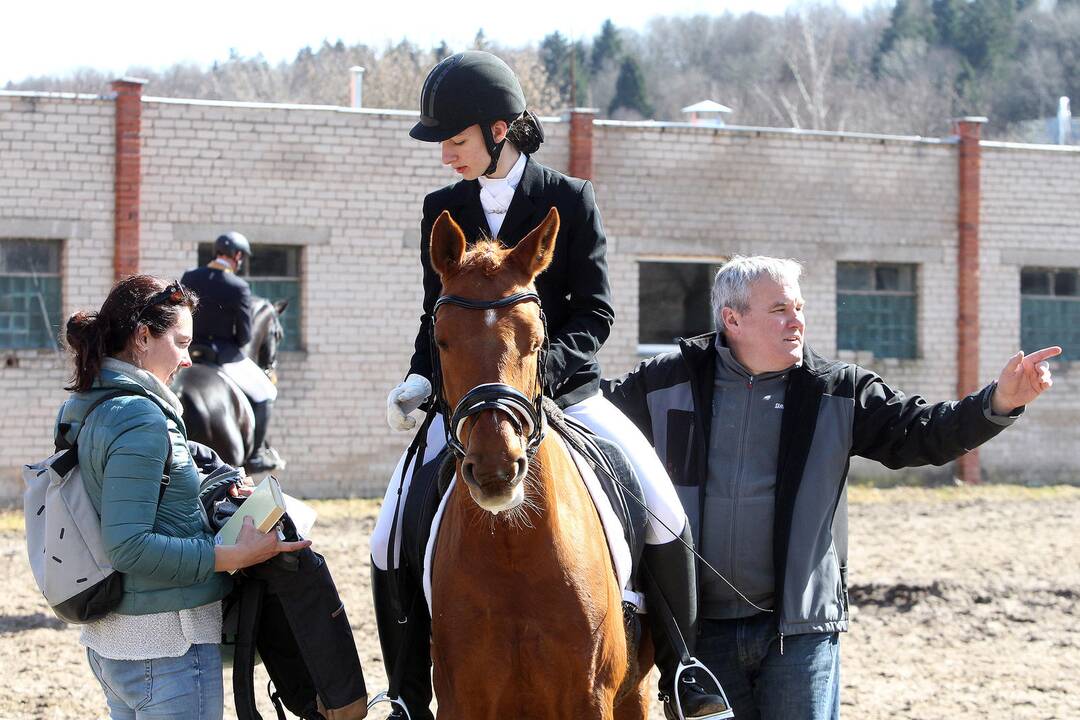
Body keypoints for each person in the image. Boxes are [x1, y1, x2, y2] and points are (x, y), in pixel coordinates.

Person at [370, 50, 730, 720]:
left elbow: (595, 310)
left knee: (662, 507)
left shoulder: (570, 198)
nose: (446, 154)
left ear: (499, 130)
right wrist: (422, 377)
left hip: (566, 393)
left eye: (456, 140)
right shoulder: (441, 209)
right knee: (387, 529)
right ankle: (407, 695)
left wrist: (541, 375)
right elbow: (438, 314)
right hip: (469, 403)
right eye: (443, 144)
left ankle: (685, 669)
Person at [603, 255, 1059, 720]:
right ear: (732, 319)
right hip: (697, 634)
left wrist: (999, 401)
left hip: (800, 633)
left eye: (799, 307)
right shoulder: (661, 383)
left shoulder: (838, 390)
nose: (797, 320)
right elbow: (588, 422)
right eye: (780, 308)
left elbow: (923, 432)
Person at [59, 274, 310, 720]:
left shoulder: (92, 405)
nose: (188, 359)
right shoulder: (141, 420)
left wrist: (213, 480)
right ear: (141, 337)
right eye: (180, 342)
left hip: (117, 642)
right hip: (167, 645)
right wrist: (230, 555)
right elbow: (129, 545)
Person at [181, 231, 281, 473]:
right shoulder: (238, 287)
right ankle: (256, 454)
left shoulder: (190, 277)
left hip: (189, 350)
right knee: (267, 391)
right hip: (223, 356)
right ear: (236, 256)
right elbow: (245, 335)